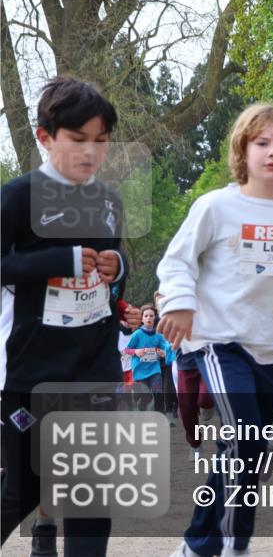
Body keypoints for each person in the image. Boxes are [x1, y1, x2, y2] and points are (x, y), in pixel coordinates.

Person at [158, 103, 273, 557]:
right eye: (262, 143)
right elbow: (176, 261)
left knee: (252, 450)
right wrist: (180, 303)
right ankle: (222, 547)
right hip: (220, 340)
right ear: (243, 150)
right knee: (246, 435)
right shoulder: (216, 206)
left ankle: (210, 538)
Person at [1, 76, 129, 556]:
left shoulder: (110, 202)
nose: (90, 152)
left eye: (101, 140)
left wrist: (118, 269)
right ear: (45, 137)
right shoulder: (17, 197)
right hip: (29, 368)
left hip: (94, 365)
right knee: (25, 489)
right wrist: (60, 262)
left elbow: (111, 275)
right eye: (78, 140)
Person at [123, 304, 174, 412]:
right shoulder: (137, 334)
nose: (148, 318)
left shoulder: (158, 335)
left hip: (154, 369)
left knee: (158, 394)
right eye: (146, 316)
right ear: (142, 318)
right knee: (145, 396)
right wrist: (136, 351)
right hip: (140, 371)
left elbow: (166, 349)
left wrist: (163, 353)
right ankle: (141, 411)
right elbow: (127, 350)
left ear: (155, 318)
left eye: (151, 316)